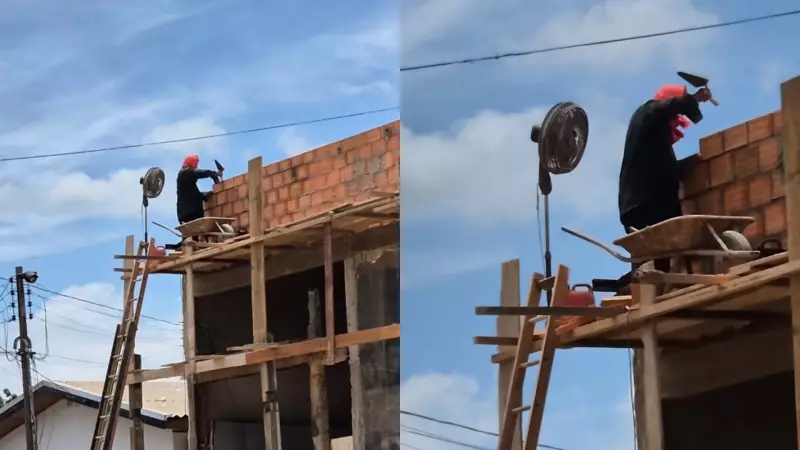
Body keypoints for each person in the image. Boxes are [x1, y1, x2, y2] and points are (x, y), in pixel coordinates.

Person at [618, 84, 714, 274]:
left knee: (658, 267)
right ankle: (644, 291)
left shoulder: (657, 144)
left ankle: (654, 291)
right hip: (643, 207)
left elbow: (663, 171)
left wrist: (690, 164)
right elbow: (667, 106)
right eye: (676, 121)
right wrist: (695, 98)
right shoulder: (648, 113)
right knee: (648, 266)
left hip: (655, 209)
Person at [176, 154, 221, 224]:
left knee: (198, 232)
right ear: (191, 163)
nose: (196, 166)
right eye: (195, 164)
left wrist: (203, 196)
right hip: (189, 214)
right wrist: (213, 173)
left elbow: (190, 194)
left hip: (191, 213)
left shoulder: (187, 181)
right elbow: (200, 173)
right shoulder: (184, 172)